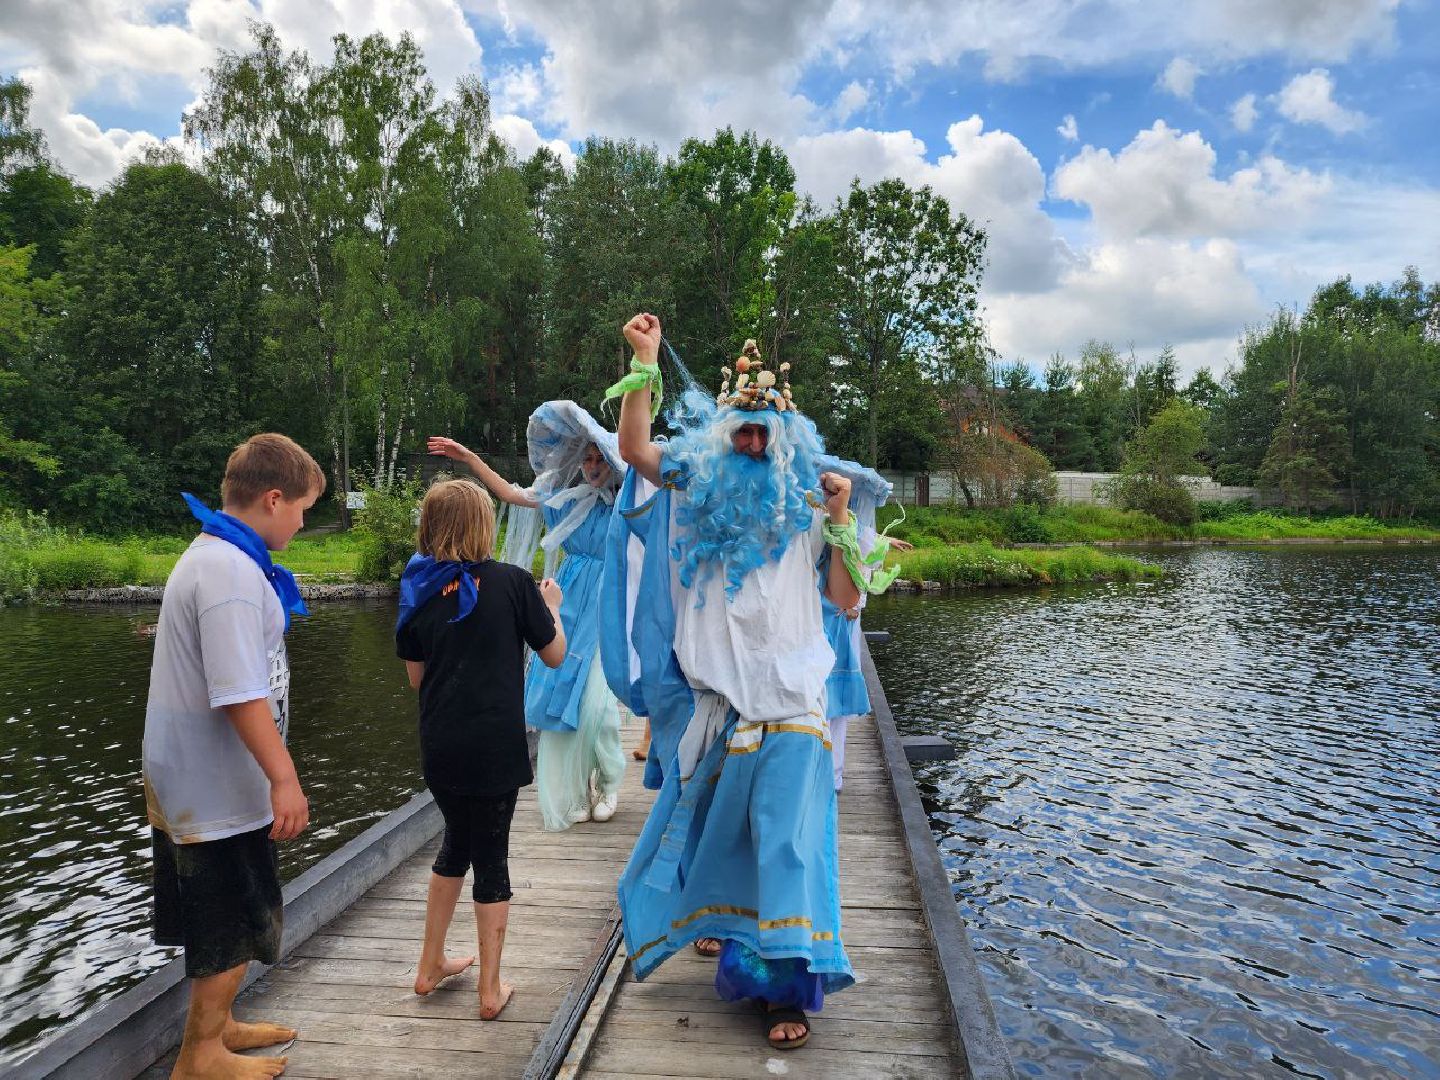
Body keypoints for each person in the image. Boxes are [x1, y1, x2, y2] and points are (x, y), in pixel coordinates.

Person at [598, 315, 899, 1050]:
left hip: (793, 704)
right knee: (726, 841)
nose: (754, 445)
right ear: (724, 434)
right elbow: (634, 449)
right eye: (743, 432)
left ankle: (783, 992)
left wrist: (837, 520)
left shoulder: (807, 504)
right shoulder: (695, 489)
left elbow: (845, 600)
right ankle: (733, 947)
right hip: (722, 710)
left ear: (785, 438)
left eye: (766, 434)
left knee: (786, 848)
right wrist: (644, 363)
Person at [143, 432, 325, 1080]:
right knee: (230, 915)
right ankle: (200, 1058)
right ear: (273, 499)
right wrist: (285, 779)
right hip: (213, 782)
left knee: (230, 910)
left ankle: (217, 1028)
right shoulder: (229, 575)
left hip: (206, 777)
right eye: (302, 509)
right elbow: (240, 693)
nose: (302, 523)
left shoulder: (223, 557)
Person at [395, 479, 567, 1020]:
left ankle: (430, 964)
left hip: (441, 746)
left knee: (456, 843)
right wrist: (553, 607)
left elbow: (417, 679)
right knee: (491, 858)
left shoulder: (417, 588)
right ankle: (490, 990)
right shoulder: (513, 582)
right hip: (493, 747)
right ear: (483, 526)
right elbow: (555, 654)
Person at [429, 401, 627, 831]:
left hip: (609, 602)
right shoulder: (564, 499)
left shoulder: (626, 502)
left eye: (600, 459)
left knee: (599, 706)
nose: (593, 467)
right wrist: (468, 458)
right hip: (567, 600)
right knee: (564, 698)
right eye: (587, 459)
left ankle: (608, 781)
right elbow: (510, 493)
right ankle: (578, 790)